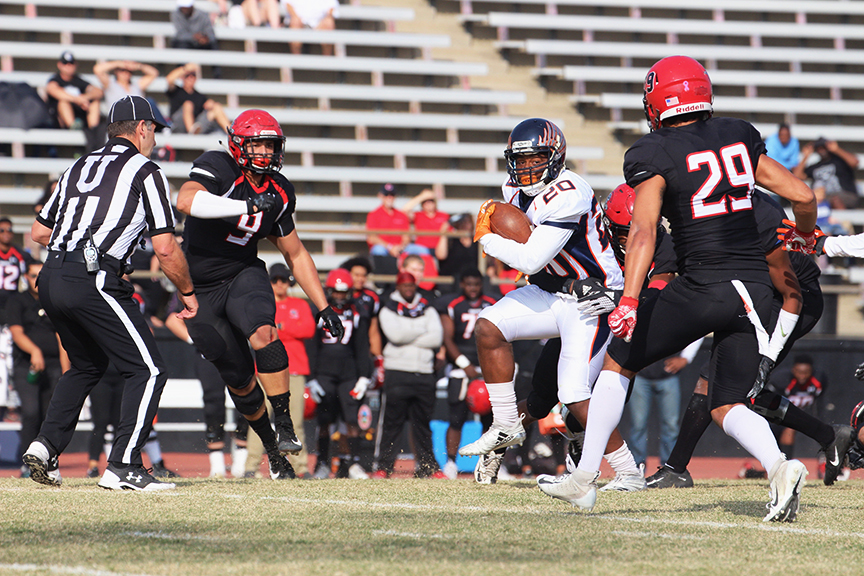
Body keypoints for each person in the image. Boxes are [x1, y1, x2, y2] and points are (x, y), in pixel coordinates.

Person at [537, 56, 817, 523]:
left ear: (656, 100)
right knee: (727, 402)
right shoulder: (739, 134)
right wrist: (805, 235)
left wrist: (629, 299)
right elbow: (803, 195)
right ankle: (779, 467)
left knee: (618, 358)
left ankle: (585, 479)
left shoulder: (653, 151)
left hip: (703, 282)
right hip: (754, 291)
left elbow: (644, 231)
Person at [23, 95, 198, 491]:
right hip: (94, 276)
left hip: (52, 276)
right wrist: (187, 293)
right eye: (154, 129)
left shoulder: (77, 165)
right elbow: (166, 247)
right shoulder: (145, 169)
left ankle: (45, 445)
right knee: (149, 369)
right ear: (142, 128)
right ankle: (123, 465)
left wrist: (82, 235)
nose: (154, 138)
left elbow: (37, 231)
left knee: (85, 366)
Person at [174, 108, 343, 480]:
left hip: (242, 274)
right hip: (199, 289)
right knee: (238, 379)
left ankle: (283, 420)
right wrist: (244, 205)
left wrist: (324, 305)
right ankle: (272, 449)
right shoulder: (219, 166)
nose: (265, 153)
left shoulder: (280, 189)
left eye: (270, 145)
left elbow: (294, 253)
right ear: (237, 145)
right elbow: (186, 201)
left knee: (264, 333)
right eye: (258, 145)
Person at [646, 190, 854, 489]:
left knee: (737, 394)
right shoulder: (721, 206)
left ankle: (834, 440)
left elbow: (791, 296)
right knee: (711, 383)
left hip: (789, 299)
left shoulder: (750, 215)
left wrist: (768, 358)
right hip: (758, 295)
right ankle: (676, 467)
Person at [458, 118, 624, 463]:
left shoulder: (570, 193)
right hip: (554, 290)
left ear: (556, 156)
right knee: (488, 326)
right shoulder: (513, 189)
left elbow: (532, 259)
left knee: (574, 393)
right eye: (520, 160)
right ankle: (505, 423)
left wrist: (487, 239)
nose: (527, 167)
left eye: (536, 158)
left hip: (593, 298)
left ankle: (627, 472)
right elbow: (531, 250)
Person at [243, 263, 317, 478]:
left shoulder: (299, 304)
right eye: (274, 280)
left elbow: (309, 328)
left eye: (283, 280)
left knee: (295, 421)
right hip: (265, 371)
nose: (279, 284)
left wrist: (281, 327)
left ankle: (299, 467)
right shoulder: (263, 304)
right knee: (258, 418)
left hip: (294, 370)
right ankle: (252, 466)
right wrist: (285, 329)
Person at [373, 272, 444, 478]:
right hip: (397, 371)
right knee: (392, 424)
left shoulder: (427, 307)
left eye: (411, 285)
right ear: (398, 286)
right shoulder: (388, 307)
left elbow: (436, 337)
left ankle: (428, 467)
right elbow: (395, 335)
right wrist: (421, 330)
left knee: (422, 424)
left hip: (424, 372)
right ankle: (383, 467)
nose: (408, 289)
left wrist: (407, 334)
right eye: (404, 285)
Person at [306, 268, 372, 479]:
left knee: (352, 419)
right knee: (325, 420)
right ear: (329, 290)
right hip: (325, 372)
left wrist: (364, 376)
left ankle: (352, 462)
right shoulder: (319, 310)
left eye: (344, 293)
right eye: (337, 292)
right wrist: (312, 377)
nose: (340, 297)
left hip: (349, 372)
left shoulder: (357, 311)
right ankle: (323, 462)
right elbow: (312, 345)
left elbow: (362, 346)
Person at [8, 261, 69, 477]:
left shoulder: (52, 302)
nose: (37, 280)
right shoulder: (17, 301)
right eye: (33, 276)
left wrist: (66, 371)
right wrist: (34, 351)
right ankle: (27, 463)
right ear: (25, 277)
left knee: (49, 416)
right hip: (27, 366)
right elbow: (17, 333)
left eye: (40, 276)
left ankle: (47, 463)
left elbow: (61, 337)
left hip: (53, 365)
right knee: (31, 412)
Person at [435, 267, 497, 479]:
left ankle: (490, 462)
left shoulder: (493, 302)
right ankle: (451, 463)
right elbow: (447, 337)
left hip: (487, 366)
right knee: (456, 417)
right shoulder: (452, 304)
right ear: (462, 284)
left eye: (476, 284)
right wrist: (464, 364)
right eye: (469, 284)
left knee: (490, 420)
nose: (472, 289)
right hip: (461, 369)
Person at [627, 341, 700, 471]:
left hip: (668, 376)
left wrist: (686, 358)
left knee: (671, 425)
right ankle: (636, 468)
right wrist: (632, 359)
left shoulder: (673, 319)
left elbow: (697, 325)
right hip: (641, 377)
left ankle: (669, 468)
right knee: (638, 425)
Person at [45, 51, 105, 152]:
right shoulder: (55, 80)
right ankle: (73, 126)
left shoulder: (78, 80)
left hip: (82, 116)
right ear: (59, 65)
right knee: (63, 102)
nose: (68, 66)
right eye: (65, 64)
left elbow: (98, 92)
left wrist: (85, 97)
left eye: (71, 63)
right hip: (61, 121)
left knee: (95, 102)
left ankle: (93, 129)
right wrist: (77, 99)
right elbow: (53, 90)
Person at [339, 256, 383, 388]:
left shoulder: (371, 298)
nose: (360, 279)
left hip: (361, 352)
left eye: (364, 275)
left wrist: (377, 359)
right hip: (340, 351)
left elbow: (373, 330)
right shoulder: (337, 295)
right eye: (356, 275)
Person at [93, 60, 169, 128]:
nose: (126, 73)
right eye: (122, 70)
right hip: (119, 119)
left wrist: (138, 66)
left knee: (150, 102)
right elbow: (97, 70)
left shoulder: (136, 85)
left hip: (137, 119)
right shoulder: (111, 84)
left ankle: (164, 127)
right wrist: (119, 63)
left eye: (128, 71)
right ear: (116, 71)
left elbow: (154, 73)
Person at [774, 355, 823, 459]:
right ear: (793, 370)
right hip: (781, 418)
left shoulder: (818, 382)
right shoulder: (783, 381)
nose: (802, 376)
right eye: (799, 372)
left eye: (806, 372)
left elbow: (818, 404)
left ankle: (824, 464)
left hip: (804, 417)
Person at [793, 137, 859, 210]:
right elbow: (797, 176)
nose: (821, 150)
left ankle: (842, 220)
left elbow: (855, 162)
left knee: (835, 200)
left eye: (823, 147)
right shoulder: (814, 167)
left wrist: (837, 150)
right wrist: (805, 156)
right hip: (822, 197)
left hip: (845, 194)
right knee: (810, 201)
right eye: (819, 148)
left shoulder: (839, 161)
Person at [165, 63, 231, 135]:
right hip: (177, 125)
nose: (190, 78)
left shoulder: (200, 96)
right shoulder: (176, 91)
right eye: (187, 75)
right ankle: (191, 132)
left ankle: (232, 133)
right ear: (182, 77)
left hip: (196, 125)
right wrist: (185, 68)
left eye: (193, 75)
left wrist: (211, 105)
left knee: (216, 107)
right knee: (188, 104)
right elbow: (169, 79)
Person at [365, 183, 413, 272]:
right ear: (380, 196)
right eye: (386, 195)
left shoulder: (402, 215)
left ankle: (425, 282)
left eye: (392, 195)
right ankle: (382, 280)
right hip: (384, 247)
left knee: (421, 250)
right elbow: (372, 238)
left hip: (400, 247)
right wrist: (390, 247)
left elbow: (406, 237)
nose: (389, 198)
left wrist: (400, 247)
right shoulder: (373, 214)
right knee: (378, 250)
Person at [435, 213, 477, 293]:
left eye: (468, 222)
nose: (466, 225)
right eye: (463, 222)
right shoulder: (451, 240)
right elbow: (440, 255)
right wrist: (444, 233)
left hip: (470, 282)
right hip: (451, 282)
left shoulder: (476, 242)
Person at [402, 189, 449, 255]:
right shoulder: (418, 215)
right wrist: (422, 196)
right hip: (421, 249)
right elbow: (404, 210)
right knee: (408, 249)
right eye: (425, 201)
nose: (428, 204)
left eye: (431, 201)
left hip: (439, 249)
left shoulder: (444, 215)